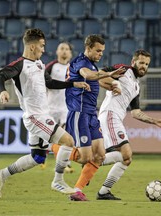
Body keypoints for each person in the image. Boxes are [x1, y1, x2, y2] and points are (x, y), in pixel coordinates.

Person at [0, 28, 90, 198]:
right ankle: (58, 181)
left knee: (37, 158)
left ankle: (2, 174)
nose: (44, 50)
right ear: (31, 47)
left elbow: (50, 83)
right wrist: (2, 91)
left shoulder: (39, 64)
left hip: (44, 115)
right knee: (68, 141)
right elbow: (0, 76)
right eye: (42, 46)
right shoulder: (20, 65)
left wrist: (73, 84)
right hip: (34, 117)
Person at [51, 34, 125, 201]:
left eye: (102, 51)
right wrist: (111, 74)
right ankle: (54, 148)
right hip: (79, 114)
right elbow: (89, 75)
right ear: (89, 48)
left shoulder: (91, 63)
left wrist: (111, 86)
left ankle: (77, 190)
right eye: (98, 51)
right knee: (85, 157)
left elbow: (95, 80)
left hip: (92, 115)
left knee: (100, 155)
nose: (101, 54)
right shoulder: (80, 62)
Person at [95, 49, 161, 200]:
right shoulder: (124, 70)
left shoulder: (136, 86)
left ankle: (104, 192)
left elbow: (135, 112)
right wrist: (112, 83)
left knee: (126, 159)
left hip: (116, 118)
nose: (144, 66)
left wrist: (154, 121)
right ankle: (91, 160)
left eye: (147, 64)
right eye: (141, 62)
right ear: (133, 62)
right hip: (110, 114)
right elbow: (99, 74)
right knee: (126, 153)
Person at [44, 42, 74, 173]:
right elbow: (43, 82)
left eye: (67, 49)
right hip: (50, 107)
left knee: (65, 135)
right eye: (62, 48)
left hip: (65, 108)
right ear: (57, 51)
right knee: (47, 136)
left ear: (70, 53)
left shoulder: (73, 68)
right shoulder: (52, 66)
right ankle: (41, 157)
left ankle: (65, 163)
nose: (64, 51)